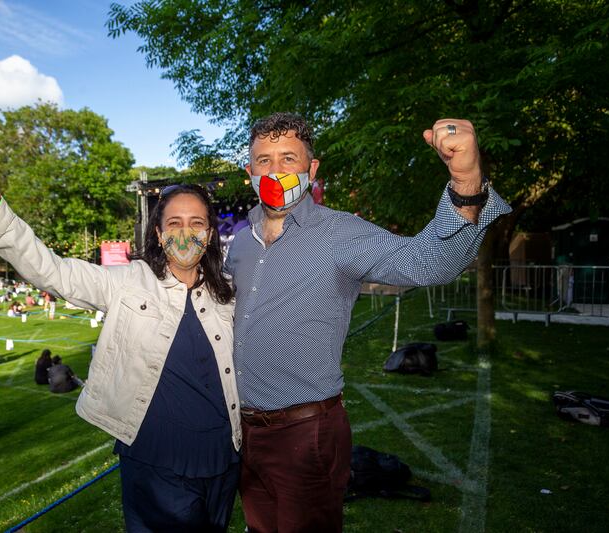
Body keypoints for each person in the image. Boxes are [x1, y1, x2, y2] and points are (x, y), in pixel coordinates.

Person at [218, 113, 512, 531]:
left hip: (306, 435)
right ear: (249, 171)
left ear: (311, 168)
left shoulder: (341, 233)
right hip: (244, 433)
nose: (275, 170)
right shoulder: (242, 243)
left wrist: (466, 183)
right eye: (263, 160)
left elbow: (426, 263)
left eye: (288, 158)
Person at [0, 157, 239, 532]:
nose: (185, 233)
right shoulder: (126, 282)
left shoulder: (229, 292)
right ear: (157, 233)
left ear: (210, 232)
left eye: (197, 223)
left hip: (225, 456)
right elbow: (52, 271)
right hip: (156, 462)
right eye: (174, 223)